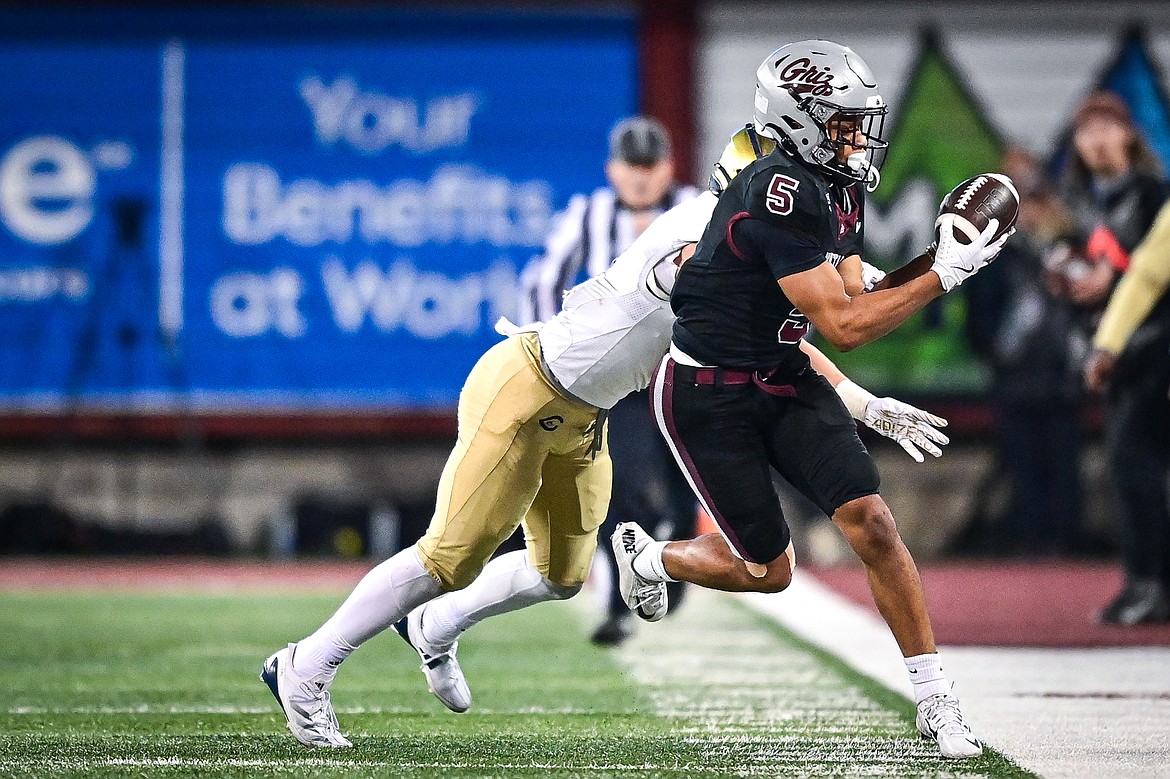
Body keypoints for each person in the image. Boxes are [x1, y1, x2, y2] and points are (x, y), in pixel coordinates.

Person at [259, 123, 952, 750]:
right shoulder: (703, 238)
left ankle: (435, 627)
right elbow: (774, 316)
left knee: (560, 574)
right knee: (447, 554)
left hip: (584, 414)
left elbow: (781, 336)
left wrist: (863, 402)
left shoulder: (745, 238)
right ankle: (305, 665)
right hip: (527, 385)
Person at [610, 40, 1010, 760]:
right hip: (709, 392)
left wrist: (933, 258)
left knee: (874, 523)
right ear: (800, 123)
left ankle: (935, 697)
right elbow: (850, 325)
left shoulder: (839, 183)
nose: (859, 138)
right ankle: (654, 558)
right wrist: (945, 274)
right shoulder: (779, 189)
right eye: (845, 123)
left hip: (782, 371)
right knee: (771, 569)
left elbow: (855, 293)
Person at [519, 116, 702, 646]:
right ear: (613, 170)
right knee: (617, 481)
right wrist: (555, 351)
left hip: (681, 366)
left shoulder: (694, 207)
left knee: (686, 479)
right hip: (616, 374)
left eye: (651, 167)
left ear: (668, 168)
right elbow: (544, 280)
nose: (642, 179)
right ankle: (623, 597)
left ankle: (679, 550)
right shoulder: (589, 213)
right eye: (632, 167)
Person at [1047, 90, 1170, 622]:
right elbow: (1082, 269)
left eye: (1106, 126)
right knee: (1127, 470)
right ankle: (1142, 579)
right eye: (1086, 129)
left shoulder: (1153, 194)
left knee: (1138, 464)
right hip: (1116, 352)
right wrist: (1066, 278)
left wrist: (1109, 280)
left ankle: (1153, 582)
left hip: (1155, 347)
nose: (1096, 139)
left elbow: (1147, 277)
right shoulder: (1080, 201)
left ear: (1128, 134)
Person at [962, 148, 1084, 556]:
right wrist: (994, 354)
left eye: (1037, 198)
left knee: (1065, 463)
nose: (1032, 210)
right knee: (1023, 466)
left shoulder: (1067, 246)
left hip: (1060, 378)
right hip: (1014, 378)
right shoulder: (991, 254)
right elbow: (978, 316)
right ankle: (1032, 543)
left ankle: (1065, 541)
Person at [1083, 198, 1170, 624]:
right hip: (1152, 360)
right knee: (1135, 467)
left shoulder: (1146, 189)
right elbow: (1147, 276)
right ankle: (1149, 582)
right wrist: (1108, 344)